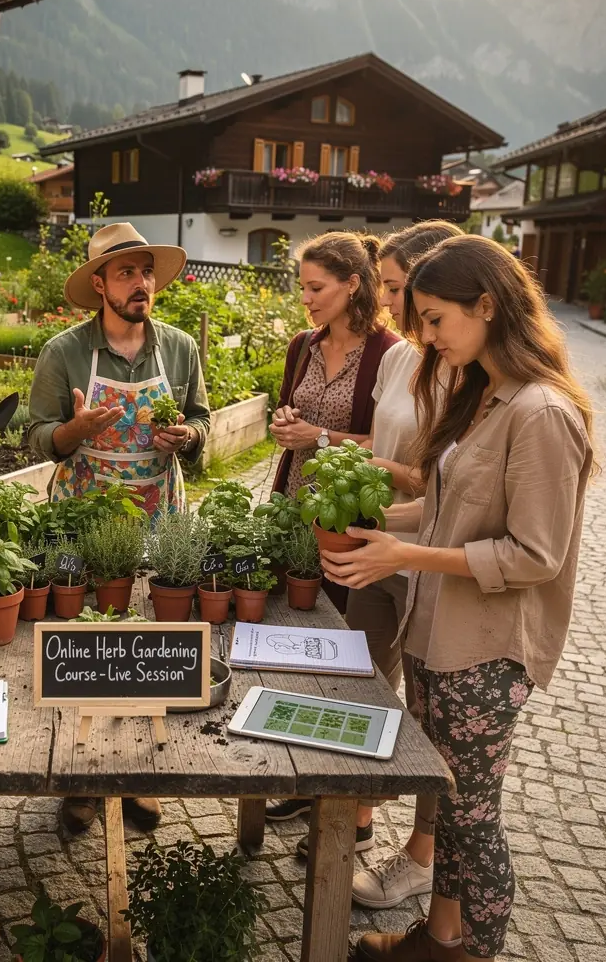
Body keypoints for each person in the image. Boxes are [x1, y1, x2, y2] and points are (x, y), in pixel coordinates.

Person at [322, 235, 593, 962]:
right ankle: (439, 936)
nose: (427, 337)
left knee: (473, 818)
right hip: (438, 634)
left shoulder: (541, 412)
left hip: (487, 651)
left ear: (488, 305)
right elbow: (447, 508)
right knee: (449, 805)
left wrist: (405, 553)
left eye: (437, 319)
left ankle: (469, 952)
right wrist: (372, 525)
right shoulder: (483, 395)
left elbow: (538, 556)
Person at [27, 221, 211, 833]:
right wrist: (74, 433)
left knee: (149, 642)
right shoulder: (65, 352)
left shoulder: (180, 348)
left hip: (161, 510)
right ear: (99, 283)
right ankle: (79, 780)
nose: (141, 283)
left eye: (146, 271)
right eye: (126, 272)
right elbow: (36, 435)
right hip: (87, 513)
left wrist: (187, 436)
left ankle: (137, 776)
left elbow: (203, 419)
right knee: (86, 643)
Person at [343, 222, 463, 903]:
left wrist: (375, 470)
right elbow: (384, 448)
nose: (387, 304)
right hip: (377, 548)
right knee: (358, 678)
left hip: (426, 560)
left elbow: (440, 485)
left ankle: (422, 854)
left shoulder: (467, 373)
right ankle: (353, 817)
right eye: (386, 287)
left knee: (428, 713)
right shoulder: (398, 360)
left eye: (396, 288)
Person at [264, 230, 399, 827]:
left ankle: (352, 813)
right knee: (296, 645)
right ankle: (301, 780)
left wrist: (318, 437)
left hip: (348, 524)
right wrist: (288, 421)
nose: (306, 299)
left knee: (346, 658)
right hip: (297, 512)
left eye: (316, 288)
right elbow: (291, 415)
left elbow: (389, 448)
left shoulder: (388, 353)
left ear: (353, 284)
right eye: (302, 288)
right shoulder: (303, 346)